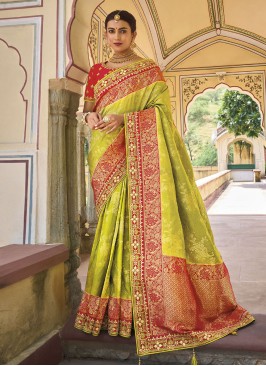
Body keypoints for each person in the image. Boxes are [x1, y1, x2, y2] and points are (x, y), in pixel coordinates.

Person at [75, 9, 254, 357]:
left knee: (139, 230)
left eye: (122, 30)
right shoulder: (97, 72)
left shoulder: (149, 72)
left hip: (136, 155)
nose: (116, 37)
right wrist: (91, 115)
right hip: (105, 155)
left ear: (133, 33)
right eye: (110, 31)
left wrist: (123, 118)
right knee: (110, 226)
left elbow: (160, 114)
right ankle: (113, 309)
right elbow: (86, 108)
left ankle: (146, 307)